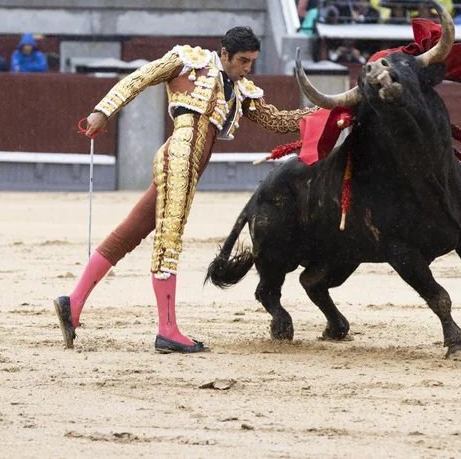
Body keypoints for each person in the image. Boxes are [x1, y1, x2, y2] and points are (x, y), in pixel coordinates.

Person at [53, 27, 317, 353]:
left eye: (252, 62)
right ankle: (167, 331)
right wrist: (102, 110)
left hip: (188, 167)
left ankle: (73, 303)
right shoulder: (187, 61)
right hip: (178, 158)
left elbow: (278, 120)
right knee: (170, 241)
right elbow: (139, 79)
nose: (247, 67)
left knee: (129, 233)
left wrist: (327, 113)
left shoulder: (241, 90)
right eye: (242, 60)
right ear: (224, 54)